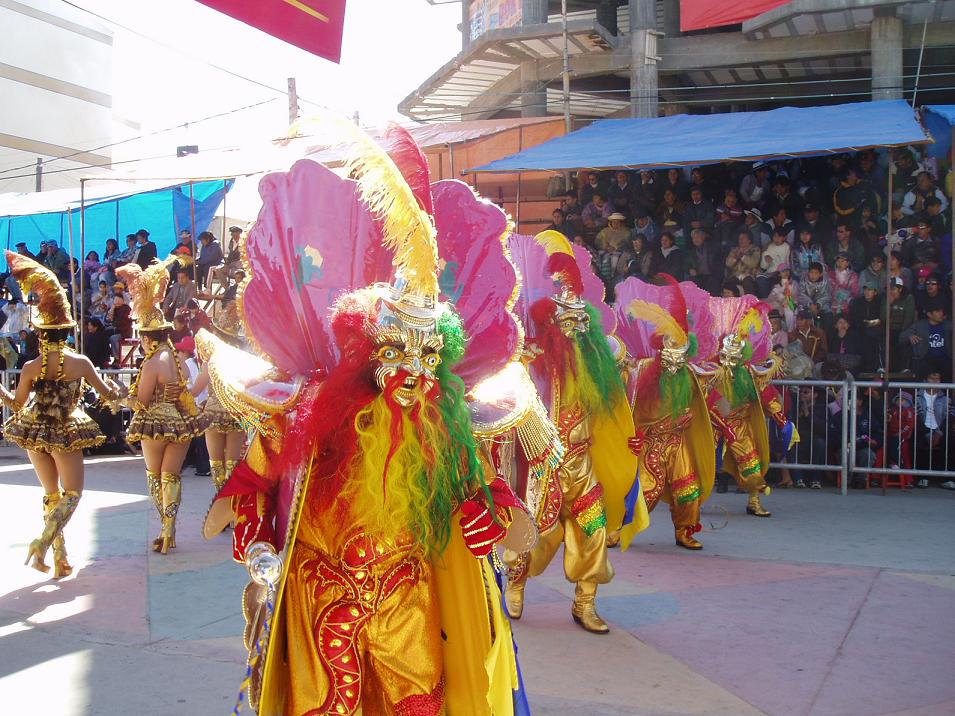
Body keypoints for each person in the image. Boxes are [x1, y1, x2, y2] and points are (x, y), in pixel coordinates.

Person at [199, 126, 532, 713]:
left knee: (419, 704)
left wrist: (490, 514)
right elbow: (254, 479)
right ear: (367, 355)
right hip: (319, 588)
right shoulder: (311, 412)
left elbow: (489, 493)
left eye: (428, 358)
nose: (414, 374)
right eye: (397, 353)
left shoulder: (444, 425)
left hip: (408, 590)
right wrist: (256, 538)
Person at [503, 231, 641, 635]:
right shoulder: (532, 362)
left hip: (583, 462)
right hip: (543, 462)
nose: (576, 332)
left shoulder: (598, 363)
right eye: (568, 324)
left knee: (593, 530)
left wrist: (626, 438)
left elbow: (622, 386)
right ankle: (516, 582)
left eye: (582, 324)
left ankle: (586, 602)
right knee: (536, 536)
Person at [2, 252, 123, 579]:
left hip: (35, 431)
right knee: (71, 495)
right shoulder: (80, 363)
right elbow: (108, 395)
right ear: (66, 331)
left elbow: (16, 404)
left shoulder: (31, 366)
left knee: (51, 495)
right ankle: (42, 543)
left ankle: (60, 559)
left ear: (41, 333)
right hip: (65, 430)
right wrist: (118, 390)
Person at [117, 256, 204, 554]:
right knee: (172, 477)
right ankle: (170, 530)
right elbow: (182, 388)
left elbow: (141, 401)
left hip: (154, 424)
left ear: (146, 338)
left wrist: (121, 398)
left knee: (156, 478)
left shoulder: (153, 361)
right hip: (178, 423)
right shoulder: (175, 358)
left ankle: (166, 529)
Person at [625, 278, 716, 549]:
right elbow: (631, 406)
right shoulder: (643, 373)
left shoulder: (692, 376)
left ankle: (685, 531)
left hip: (678, 441)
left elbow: (705, 403)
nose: (675, 365)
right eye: (670, 358)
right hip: (651, 441)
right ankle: (621, 528)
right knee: (646, 490)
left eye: (680, 359)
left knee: (688, 489)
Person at [191, 311, 246, 491]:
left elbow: (196, 390)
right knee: (232, 466)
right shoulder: (242, 360)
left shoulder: (211, 360)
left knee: (217, 466)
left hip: (213, 413)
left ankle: (220, 501)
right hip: (235, 412)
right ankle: (230, 505)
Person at [900, 301, 951, 378]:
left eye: (941, 311)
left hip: (945, 360)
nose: (941, 313)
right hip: (925, 360)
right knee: (920, 369)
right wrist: (910, 336)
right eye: (938, 311)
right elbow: (902, 337)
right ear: (929, 314)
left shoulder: (948, 325)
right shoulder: (919, 325)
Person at [849, 278, 885, 374]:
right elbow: (854, 318)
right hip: (860, 328)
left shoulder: (879, 302)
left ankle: (878, 366)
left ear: (875, 292)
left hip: (875, 329)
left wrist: (874, 322)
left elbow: (882, 317)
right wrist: (864, 323)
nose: (867, 292)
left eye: (870, 290)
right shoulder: (857, 302)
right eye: (865, 289)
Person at [724, 230, 760, 295]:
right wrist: (735, 258)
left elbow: (753, 263)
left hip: (749, 275)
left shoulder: (755, 249)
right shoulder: (735, 249)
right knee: (729, 283)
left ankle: (750, 300)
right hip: (736, 275)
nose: (741, 240)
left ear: (749, 240)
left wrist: (742, 256)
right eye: (739, 239)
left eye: (743, 238)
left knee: (747, 282)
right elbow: (728, 264)